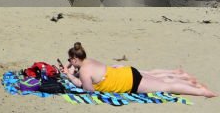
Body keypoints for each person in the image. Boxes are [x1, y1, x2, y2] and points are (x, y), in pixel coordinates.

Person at [62, 42, 215, 97]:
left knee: (166, 87)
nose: (69, 62)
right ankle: (186, 79)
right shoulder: (89, 61)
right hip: (127, 72)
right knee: (160, 80)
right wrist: (71, 72)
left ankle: (202, 92)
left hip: (129, 82)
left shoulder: (83, 71)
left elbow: (89, 91)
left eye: (70, 60)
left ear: (75, 59)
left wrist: (70, 76)